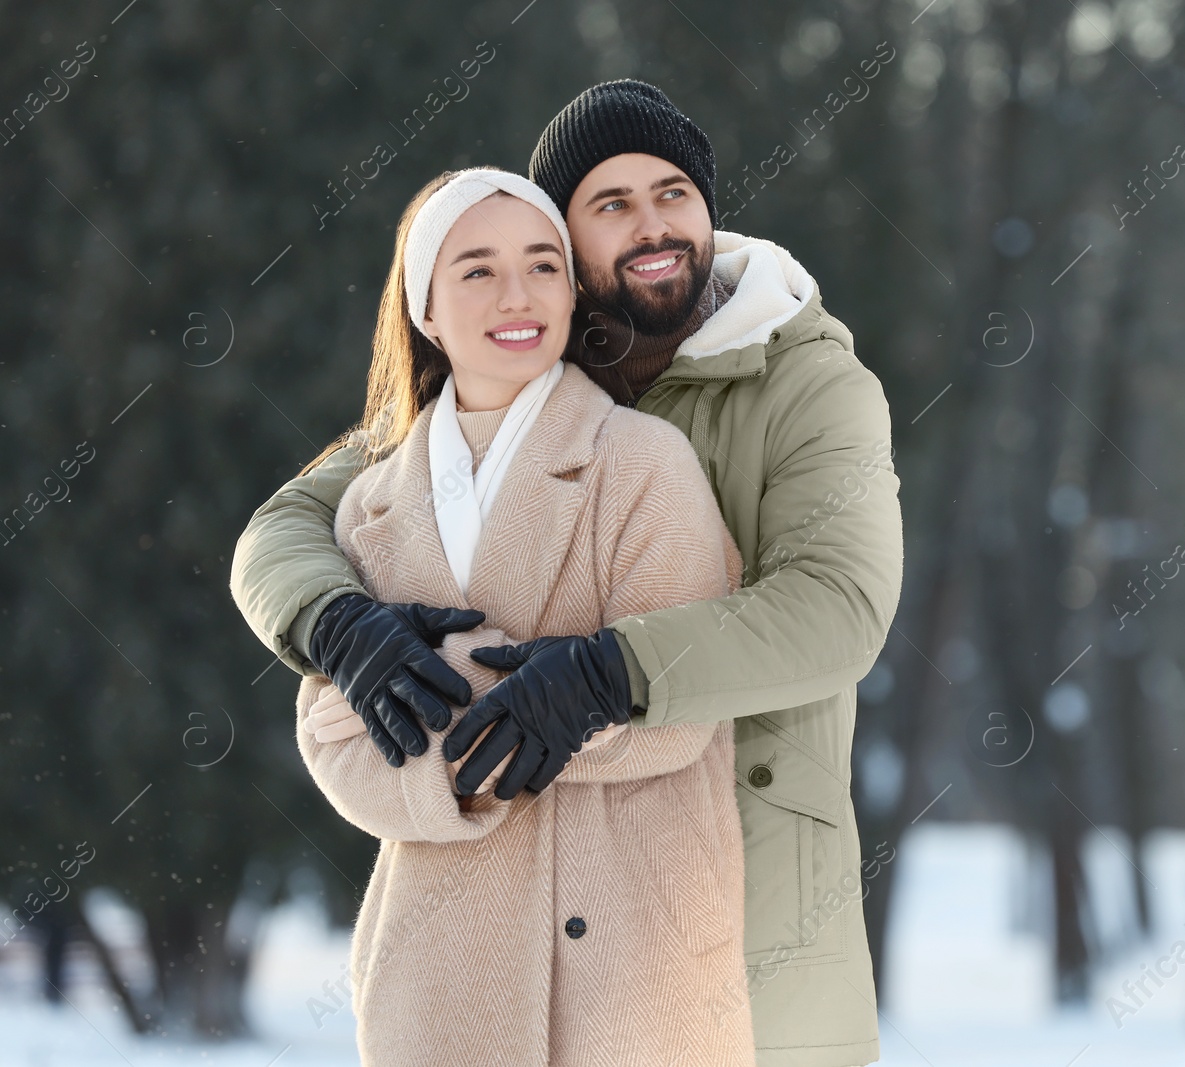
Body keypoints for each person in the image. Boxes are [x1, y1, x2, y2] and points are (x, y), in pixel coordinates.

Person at [231, 80, 902, 1067]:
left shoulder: (804, 382)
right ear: (571, 247)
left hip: (757, 886)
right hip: (520, 914)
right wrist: (334, 624)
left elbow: (835, 609)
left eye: (672, 192)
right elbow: (289, 520)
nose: (652, 224)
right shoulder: (517, 370)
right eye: (611, 204)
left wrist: (605, 676)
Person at [281, 166, 756, 1065]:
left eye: (544, 265)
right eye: (477, 270)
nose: (518, 294)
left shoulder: (646, 464)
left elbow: (684, 707)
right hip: (434, 975)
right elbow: (333, 739)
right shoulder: (369, 505)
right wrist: (522, 698)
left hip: (634, 964)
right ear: (425, 306)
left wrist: (466, 697)